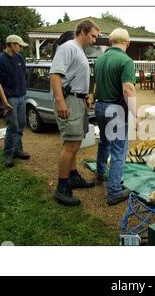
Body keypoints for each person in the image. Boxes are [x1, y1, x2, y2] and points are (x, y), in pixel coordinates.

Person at [50, 20, 100, 206]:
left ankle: (72, 176)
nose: (95, 40)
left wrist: (85, 95)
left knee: (75, 142)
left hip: (77, 100)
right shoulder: (68, 48)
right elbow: (55, 75)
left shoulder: (79, 50)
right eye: (93, 36)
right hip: (69, 100)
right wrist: (61, 102)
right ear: (82, 32)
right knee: (70, 144)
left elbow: (77, 76)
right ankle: (62, 188)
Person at [94, 28, 139, 206]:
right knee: (119, 150)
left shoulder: (99, 59)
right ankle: (114, 192)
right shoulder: (126, 60)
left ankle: (99, 174)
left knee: (104, 143)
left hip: (99, 106)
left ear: (110, 42)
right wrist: (136, 115)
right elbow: (128, 89)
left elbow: (96, 84)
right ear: (127, 43)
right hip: (115, 109)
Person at [0, 34, 30, 168]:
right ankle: (8, 154)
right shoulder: (0, 60)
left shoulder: (19, 58)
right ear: (12, 44)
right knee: (12, 126)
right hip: (10, 98)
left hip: (21, 96)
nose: (20, 48)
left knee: (22, 123)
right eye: (19, 45)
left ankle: (18, 150)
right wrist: (4, 100)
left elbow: (22, 73)